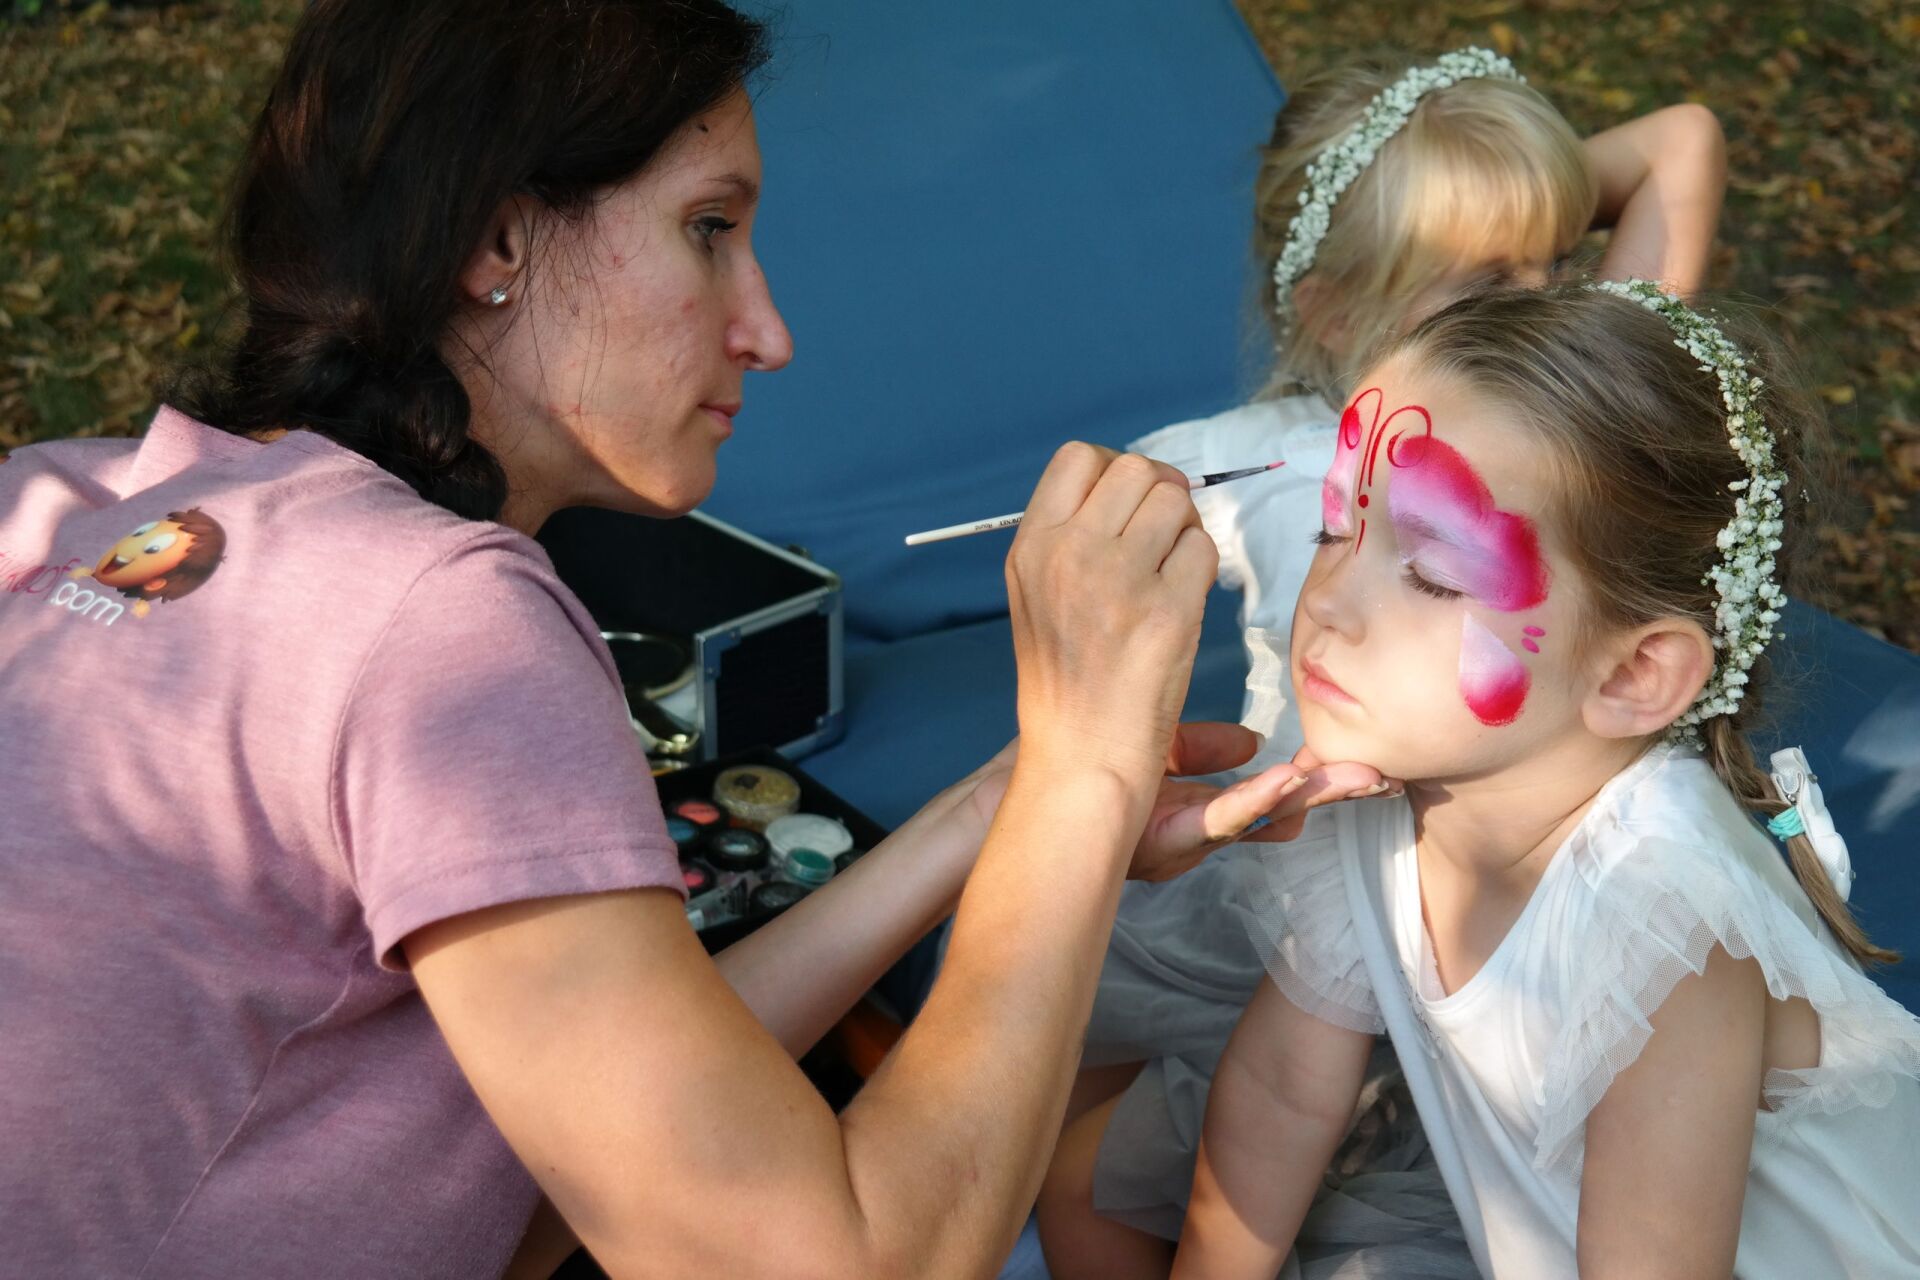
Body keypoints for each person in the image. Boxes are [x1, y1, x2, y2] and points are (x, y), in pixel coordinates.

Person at [0, 3, 1384, 1276]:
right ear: (495, 241)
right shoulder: (441, 627)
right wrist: (1086, 766)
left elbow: (615, 1117)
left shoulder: (66, 504)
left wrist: (1008, 803)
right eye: (709, 229)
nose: (767, 332)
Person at [1040, 50, 1730, 1272]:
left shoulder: (1568, 429)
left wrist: (1488, 171)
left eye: (1557, 266)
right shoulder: (1241, 456)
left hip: (1477, 903)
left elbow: (1682, 135)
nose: (1541, 306)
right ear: (1331, 310)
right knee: (1096, 1163)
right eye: (1484, 284)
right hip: (1298, 881)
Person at [1154, 281, 1920, 1277]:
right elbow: (1282, 1093)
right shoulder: (1380, 777)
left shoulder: (1663, 923)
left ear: (1633, 674)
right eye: (1335, 524)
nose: (1331, 600)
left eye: (1430, 572)